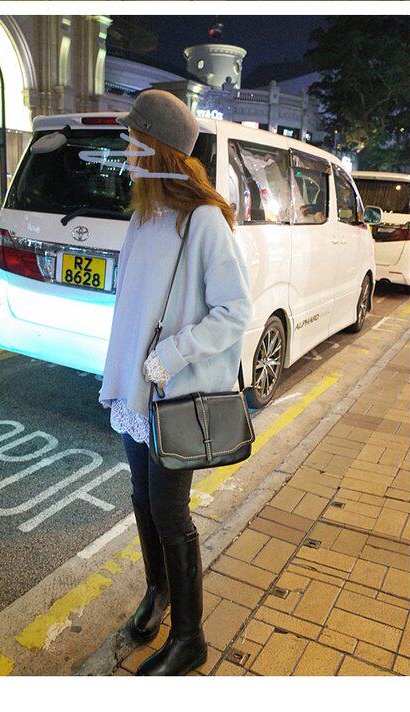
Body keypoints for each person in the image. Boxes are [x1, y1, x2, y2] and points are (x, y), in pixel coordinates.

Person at [98, 89, 253, 676]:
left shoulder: (202, 220)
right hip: (135, 394)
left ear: (156, 150)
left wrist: (172, 354)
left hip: (173, 393)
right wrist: (118, 374)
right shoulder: (144, 218)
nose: (125, 153)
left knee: (170, 513)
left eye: (132, 142)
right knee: (141, 500)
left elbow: (234, 311)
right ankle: (158, 594)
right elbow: (131, 307)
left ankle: (191, 638)